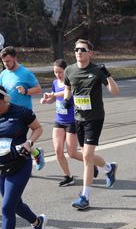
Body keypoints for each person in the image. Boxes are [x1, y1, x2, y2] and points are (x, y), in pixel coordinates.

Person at [64, 39, 119, 210]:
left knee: (87, 156)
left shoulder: (97, 70)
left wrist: (107, 74)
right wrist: (67, 99)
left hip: (94, 118)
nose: (78, 52)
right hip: (78, 117)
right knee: (86, 154)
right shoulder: (70, 70)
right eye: (76, 49)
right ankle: (109, 167)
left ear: (90, 53)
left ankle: (85, 197)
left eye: (82, 49)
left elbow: (115, 92)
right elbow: (68, 87)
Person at [40, 59, 100, 187]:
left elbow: (67, 93)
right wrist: (47, 101)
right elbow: (55, 98)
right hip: (59, 121)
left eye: (60, 72)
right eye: (55, 72)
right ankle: (68, 177)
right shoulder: (55, 83)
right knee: (58, 151)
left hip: (72, 121)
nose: (57, 75)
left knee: (72, 153)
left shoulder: (71, 81)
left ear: (66, 71)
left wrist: (53, 94)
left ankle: (91, 162)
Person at [0, 86, 46, 229]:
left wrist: (29, 143)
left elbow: (38, 128)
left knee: (7, 208)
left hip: (19, 165)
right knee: (16, 204)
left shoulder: (21, 112)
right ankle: (37, 223)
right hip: (1, 168)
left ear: (4, 100)